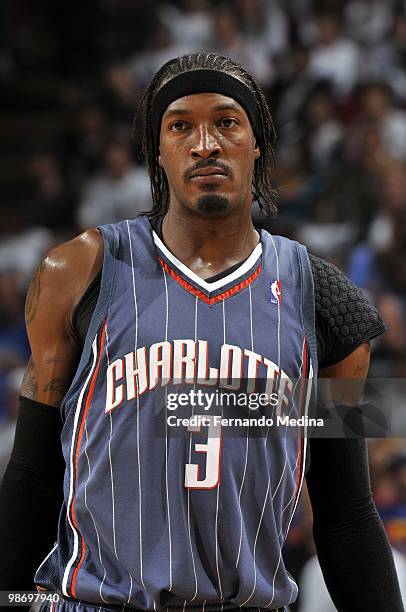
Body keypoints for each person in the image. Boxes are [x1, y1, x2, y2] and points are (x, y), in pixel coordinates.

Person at [0, 52, 403, 612]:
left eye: (227, 122)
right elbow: (33, 472)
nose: (205, 143)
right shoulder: (76, 271)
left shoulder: (329, 301)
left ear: (257, 143)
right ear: (158, 151)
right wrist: (14, 600)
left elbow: (347, 511)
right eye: (181, 125)